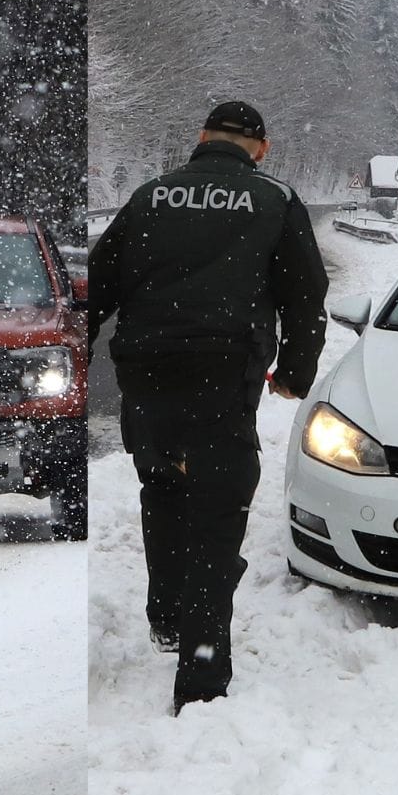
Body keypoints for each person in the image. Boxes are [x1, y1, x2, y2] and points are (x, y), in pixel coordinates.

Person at [88, 101, 329, 714]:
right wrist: (295, 374)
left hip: (145, 371)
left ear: (200, 139)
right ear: (261, 149)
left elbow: (98, 282)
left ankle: (168, 614)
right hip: (223, 373)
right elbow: (305, 296)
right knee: (219, 512)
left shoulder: (151, 196)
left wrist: (70, 356)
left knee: (163, 485)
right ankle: (201, 672)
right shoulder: (274, 199)